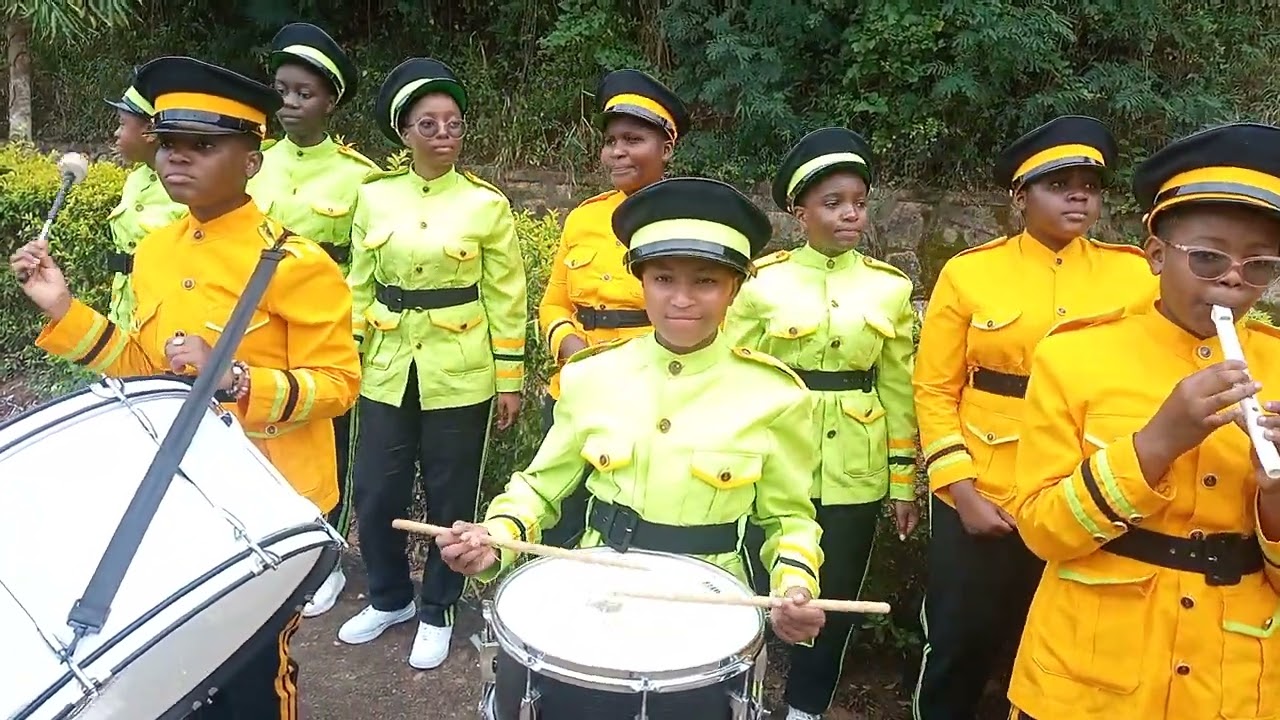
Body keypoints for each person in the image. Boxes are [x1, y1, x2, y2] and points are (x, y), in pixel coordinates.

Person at [9, 55, 360, 719]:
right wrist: (63, 310)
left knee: (254, 674)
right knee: (175, 674)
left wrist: (236, 379)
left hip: (268, 502)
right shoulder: (156, 249)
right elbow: (145, 371)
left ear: (252, 161)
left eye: (203, 146)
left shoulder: (296, 264)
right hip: (181, 492)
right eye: (170, 145)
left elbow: (339, 385)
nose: (178, 160)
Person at [435, 176, 827, 658]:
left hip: (713, 600)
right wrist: (494, 537)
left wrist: (795, 587)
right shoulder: (594, 376)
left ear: (734, 289)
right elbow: (541, 486)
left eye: (705, 281)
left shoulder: (775, 394)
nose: (681, 299)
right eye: (663, 279)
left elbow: (789, 519)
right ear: (641, 283)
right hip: (599, 587)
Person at [1006, 121, 1280, 719]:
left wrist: (1275, 496)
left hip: (1233, 687)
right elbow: (1044, 532)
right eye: (1208, 257)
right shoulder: (1074, 354)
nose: (1234, 279)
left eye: (1259, 265)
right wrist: (1155, 444)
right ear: (1155, 255)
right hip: (1088, 685)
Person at [910, 115, 1159, 719]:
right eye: (1059, 183)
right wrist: (959, 490)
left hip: (1086, 491)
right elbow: (935, 388)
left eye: (1090, 184)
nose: (1079, 195)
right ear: (1019, 197)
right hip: (986, 493)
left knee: (1068, 648)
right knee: (958, 643)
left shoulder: (1133, 273)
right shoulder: (970, 272)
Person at [338, 57, 528, 671]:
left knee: (452, 492)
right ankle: (390, 596)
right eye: (429, 124)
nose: (444, 134)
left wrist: (508, 379)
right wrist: (348, 359)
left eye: (454, 123)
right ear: (404, 133)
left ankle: (439, 608)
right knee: (375, 488)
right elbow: (359, 285)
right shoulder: (374, 198)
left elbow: (505, 293)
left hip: (461, 366)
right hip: (388, 364)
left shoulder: (485, 205)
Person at [723, 127, 919, 720]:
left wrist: (903, 482)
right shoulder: (763, 283)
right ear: (797, 210)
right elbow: (733, 375)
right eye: (832, 203)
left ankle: (806, 706)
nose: (849, 215)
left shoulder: (889, 289)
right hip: (776, 458)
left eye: (858, 202)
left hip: (855, 471)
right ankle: (745, 696)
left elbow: (898, 389)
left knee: (832, 600)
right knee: (758, 590)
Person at [247, 20, 381, 619]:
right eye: (282, 90)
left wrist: (347, 336)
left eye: (304, 93)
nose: (290, 104)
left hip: (320, 335)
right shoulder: (253, 164)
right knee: (256, 443)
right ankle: (263, 549)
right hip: (252, 334)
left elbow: (362, 264)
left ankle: (323, 556)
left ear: (330, 101)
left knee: (329, 449)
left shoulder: (360, 177)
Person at [535, 68, 688, 548]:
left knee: (625, 522)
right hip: (573, 386)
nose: (617, 151)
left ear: (666, 148)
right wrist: (569, 346)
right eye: (611, 141)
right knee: (555, 517)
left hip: (647, 395)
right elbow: (554, 303)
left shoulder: (687, 221)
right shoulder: (583, 217)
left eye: (633, 139)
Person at [102, 67, 187, 328]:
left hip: (165, 323)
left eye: (122, 124)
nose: (116, 133)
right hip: (122, 318)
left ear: (150, 131)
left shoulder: (186, 188)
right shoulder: (135, 179)